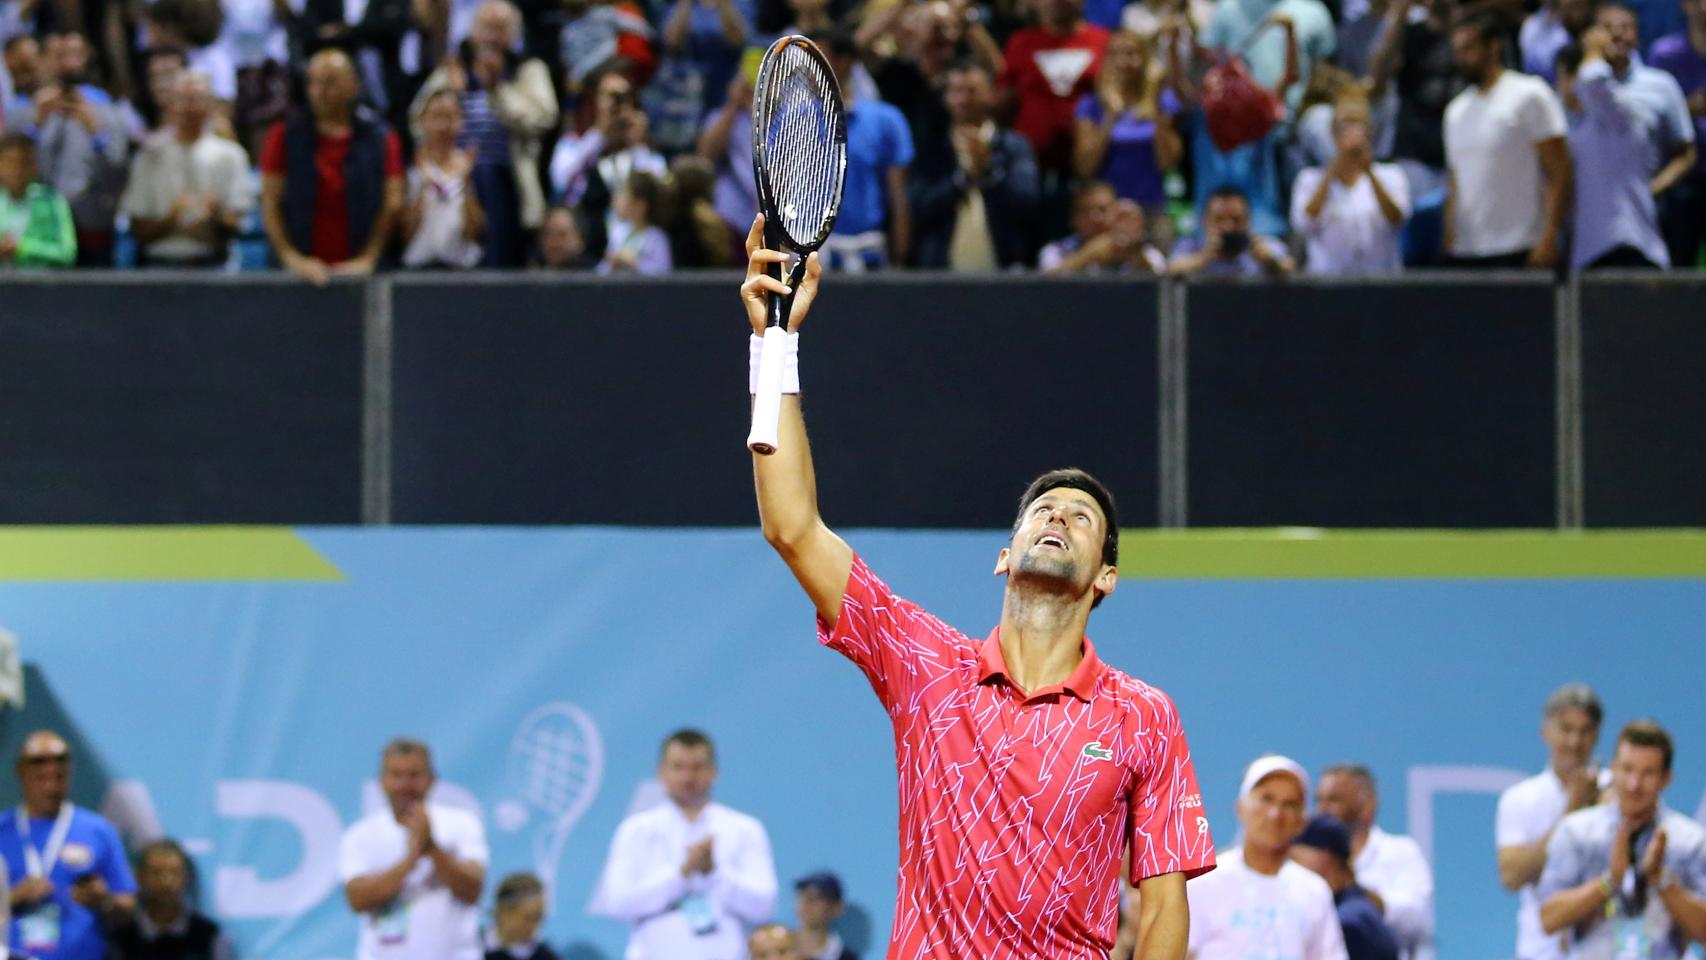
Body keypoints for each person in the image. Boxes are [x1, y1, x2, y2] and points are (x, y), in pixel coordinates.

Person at [742, 219, 1215, 956]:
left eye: (1082, 518)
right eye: (1041, 510)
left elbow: (1162, 911)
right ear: (1005, 555)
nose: (1057, 514)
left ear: (1106, 577)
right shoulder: (925, 666)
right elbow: (792, 528)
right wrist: (775, 343)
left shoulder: (1143, 717)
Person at [588, 729, 778, 960]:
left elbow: (764, 905)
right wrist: (682, 872)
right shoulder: (636, 831)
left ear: (714, 772)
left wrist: (714, 873)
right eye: (678, 767)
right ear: (661, 772)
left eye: (697, 767)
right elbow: (617, 903)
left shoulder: (744, 829)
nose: (687, 777)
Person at [1538, 720, 1706, 958]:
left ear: (1666, 778)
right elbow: (1549, 918)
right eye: (1627, 769)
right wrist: (1609, 881)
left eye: (1647, 773)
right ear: (1613, 768)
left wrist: (1662, 882)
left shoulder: (1690, 841)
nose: (1634, 784)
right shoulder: (1577, 831)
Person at [410, 0, 558, 267]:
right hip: (454, 179)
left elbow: (543, 118)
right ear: (473, 32)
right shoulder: (453, 70)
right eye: (486, 28)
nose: (491, 37)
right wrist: (451, 92)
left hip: (507, 181)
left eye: (500, 29)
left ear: (513, 36)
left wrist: (497, 90)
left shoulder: (528, 71)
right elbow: (416, 120)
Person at [260, 49, 405, 285]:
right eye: (314, 83)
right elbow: (269, 201)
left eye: (329, 83)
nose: (320, 92)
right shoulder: (283, 134)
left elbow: (393, 202)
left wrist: (368, 258)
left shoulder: (382, 138)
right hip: (298, 274)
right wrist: (290, 257)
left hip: (362, 273)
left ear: (354, 85)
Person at [340, 738, 488, 960]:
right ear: (381, 781)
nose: (405, 785)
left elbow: (473, 890)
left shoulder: (462, 824)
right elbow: (357, 899)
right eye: (397, 775)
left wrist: (432, 847)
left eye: (414, 775)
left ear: (431, 780)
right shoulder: (360, 836)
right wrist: (410, 860)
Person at [1442, 14, 1571, 269]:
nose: (1462, 58)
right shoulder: (1455, 111)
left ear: (1494, 47)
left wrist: (1550, 235)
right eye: (1457, 51)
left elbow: (1560, 172)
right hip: (1468, 251)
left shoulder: (1530, 94)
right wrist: (1449, 234)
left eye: (1469, 48)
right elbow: (1455, 181)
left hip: (1522, 247)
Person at [1187, 756, 1345, 960]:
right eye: (1266, 799)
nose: (1275, 814)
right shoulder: (1203, 884)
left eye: (1289, 804)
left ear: (1301, 821)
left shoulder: (1314, 891)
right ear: (1240, 808)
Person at [0, 731, 137, 960]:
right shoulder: (2, 829)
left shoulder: (98, 831)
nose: (51, 779)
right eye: (40, 769)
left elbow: (127, 905)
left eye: (59, 770)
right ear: (20, 771)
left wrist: (103, 901)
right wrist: (12, 898)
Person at [1496, 683, 1605, 960]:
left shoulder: (1617, 794)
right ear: (1546, 731)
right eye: (1566, 729)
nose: (1575, 742)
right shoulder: (1520, 798)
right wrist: (1573, 813)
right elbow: (1512, 876)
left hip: (1604, 948)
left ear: (1597, 735)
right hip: (1540, 949)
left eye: (1585, 731)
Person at [1555, 37, 1673, 268]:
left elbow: (1595, 82)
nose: (1558, 87)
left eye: (1561, 77)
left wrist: (1593, 49)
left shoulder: (1619, 116)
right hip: (1588, 253)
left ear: (1575, 78)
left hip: (1627, 245)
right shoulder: (1576, 127)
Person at [910, 58, 1039, 270]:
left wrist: (988, 170)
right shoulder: (932, 150)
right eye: (956, 91)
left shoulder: (1013, 147)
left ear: (991, 95)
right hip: (941, 275)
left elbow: (1026, 201)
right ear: (946, 98)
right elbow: (919, 208)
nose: (963, 99)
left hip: (1004, 272)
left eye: (972, 91)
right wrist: (962, 180)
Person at [121, 71, 253, 267]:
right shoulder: (149, 154)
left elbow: (239, 225)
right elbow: (137, 228)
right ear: (170, 104)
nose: (188, 108)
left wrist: (215, 213)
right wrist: (172, 218)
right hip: (158, 266)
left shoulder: (231, 155)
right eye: (181, 99)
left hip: (214, 265)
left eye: (196, 99)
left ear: (210, 105)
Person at [1314, 765, 1434, 960]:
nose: (1322, 810)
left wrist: (1355, 893)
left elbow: (1417, 918)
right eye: (1319, 800)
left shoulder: (1400, 852)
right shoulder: (1305, 862)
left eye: (1334, 800)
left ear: (1367, 808)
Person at [29, 29, 128, 266]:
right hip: (43, 226)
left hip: (92, 222)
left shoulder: (108, 110)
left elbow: (118, 170)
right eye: (60, 54)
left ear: (87, 57)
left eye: (75, 54)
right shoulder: (33, 108)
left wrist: (96, 132)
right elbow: (15, 168)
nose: (68, 62)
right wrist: (37, 126)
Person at [818, 29, 913, 270]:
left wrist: (900, 258)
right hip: (811, 257)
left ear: (844, 61)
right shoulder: (790, 121)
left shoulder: (887, 119)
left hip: (870, 253)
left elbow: (898, 195)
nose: (806, 68)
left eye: (817, 58)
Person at [1290, 92, 1410, 275]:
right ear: (1332, 132)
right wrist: (1333, 169)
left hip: (1380, 281)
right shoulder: (1309, 179)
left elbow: (1397, 219)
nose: (1352, 132)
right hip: (1328, 283)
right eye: (1345, 125)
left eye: (1358, 124)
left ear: (1369, 130)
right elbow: (1304, 223)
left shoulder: (1391, 174)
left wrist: (1368, 170)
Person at [1072, 29, 1181, 217]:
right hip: (1107, 214)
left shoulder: (1163, 101)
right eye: (1115, 54)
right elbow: (1085, 167)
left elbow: (1168, 162)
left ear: (1145, 59)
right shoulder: (1090, 105)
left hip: (1152, 208)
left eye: (1131, 53)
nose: (1122, 61)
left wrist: (1154, 104)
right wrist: (1109, 117)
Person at [1290, 815, 1399, 960]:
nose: (1290, 867)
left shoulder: (1349, 923)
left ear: (1324, 856)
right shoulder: (1355, 909)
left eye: (1294, 857)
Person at [1648, 0, 1706, 267]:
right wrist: (1688, 107)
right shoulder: (1664, 53)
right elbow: (1652, 113)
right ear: (1685, 5)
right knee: (1680, 265)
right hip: (1683, 177)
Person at [108, 839, 236, 960]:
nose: (166, 881)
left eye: (174, 872)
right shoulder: (122, 938)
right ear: (140, 877)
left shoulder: (210, 937)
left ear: (187, 877)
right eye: (156, 872)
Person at [401, 90, 486, 270]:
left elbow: (476, 232)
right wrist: (423, 187)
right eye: (436, 117)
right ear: (422, 121)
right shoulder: (411, 168)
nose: (442, 126)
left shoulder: (472, 167)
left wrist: (465, 183)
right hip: (419, 266)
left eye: (449, 117)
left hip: (460, 268)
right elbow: (405, 234)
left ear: (461, 121)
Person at [1169, 185, 1294, 275]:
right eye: (1219, 220)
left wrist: (1270, 262)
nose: (1228, 227)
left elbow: (1290, 267)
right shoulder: (1190, 247)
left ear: (1248, 219)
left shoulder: (1261, 246)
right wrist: (1203, 258)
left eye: (1236, 220)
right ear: (1204, 220)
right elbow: (1170, 270)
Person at [0, 131, 75, 267]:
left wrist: (23, 248)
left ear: (34, 166)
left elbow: (67, 253)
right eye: (10, 162)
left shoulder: (51, 202)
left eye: (24, 162)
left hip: (38, 285)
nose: (16, 170)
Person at [597, 169, 671, 274]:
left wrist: (634, 263)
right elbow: (601, 272)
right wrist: (612, 263)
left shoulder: (657, 238)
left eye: (624, 194)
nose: (618, 199)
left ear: (640, 205)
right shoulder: (618, 233)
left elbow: (664, 272)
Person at [483, 873, 558, 960]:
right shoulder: (473, 947)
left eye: (539, 918)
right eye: (529, 918)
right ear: (503, 912)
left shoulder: (546, 956)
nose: (536, 926)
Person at [793, 873, 857, 960]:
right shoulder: (775, 947)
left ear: (836, 908)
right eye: (802, 896)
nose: (806, 903)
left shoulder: (846, 957)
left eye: (815, 897)